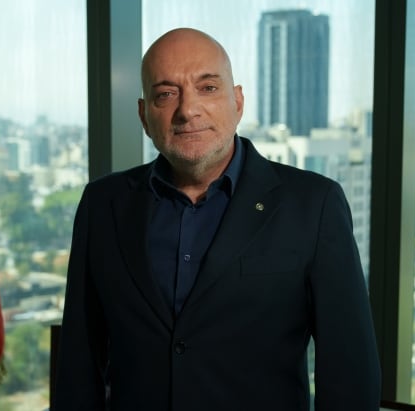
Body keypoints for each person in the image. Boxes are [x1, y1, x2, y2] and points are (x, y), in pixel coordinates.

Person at [55, 27, 381, 410]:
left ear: (238, 102)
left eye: (207, 88)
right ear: (145, 115)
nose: (187, 109)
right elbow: (79, 358)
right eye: (165, 93)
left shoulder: (314, 204)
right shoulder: (103, 204)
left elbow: (350, 371)